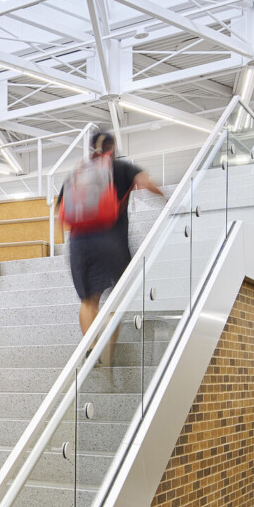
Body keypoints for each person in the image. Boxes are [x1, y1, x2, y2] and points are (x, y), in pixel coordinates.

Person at [68, 131, 164, 359]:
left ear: (92, 148)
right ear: (113, 148)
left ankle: (91, 347)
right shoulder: (122, 168)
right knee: (116, 299)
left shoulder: (80, 172)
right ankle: (108, 353)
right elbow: (145, 183)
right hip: (111, 242)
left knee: (88, 300)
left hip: (79, 244)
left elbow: (61, 208)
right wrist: (168, 199)